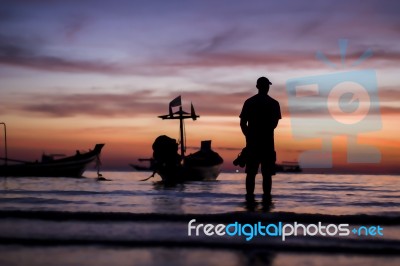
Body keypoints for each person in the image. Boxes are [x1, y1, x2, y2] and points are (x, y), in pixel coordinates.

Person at [239, 76, 281, 201]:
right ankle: (266, 203)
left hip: (253, 145)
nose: (267, 88)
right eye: (266, 86)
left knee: (251, 174)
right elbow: (274, 125)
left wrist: (249, 136)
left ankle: (250, 203)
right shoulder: (274, 103)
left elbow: (242, 123)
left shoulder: (250, 102)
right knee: (266, 175)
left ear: (257, 87)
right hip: (267, 144)